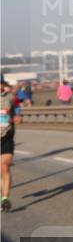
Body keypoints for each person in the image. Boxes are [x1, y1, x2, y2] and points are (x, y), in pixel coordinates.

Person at [1, 79, 23, 212]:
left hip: (7, 136)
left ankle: (5, 198)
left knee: (4, 166)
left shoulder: (11, 98)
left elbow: (17, 109)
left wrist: (18, 117)